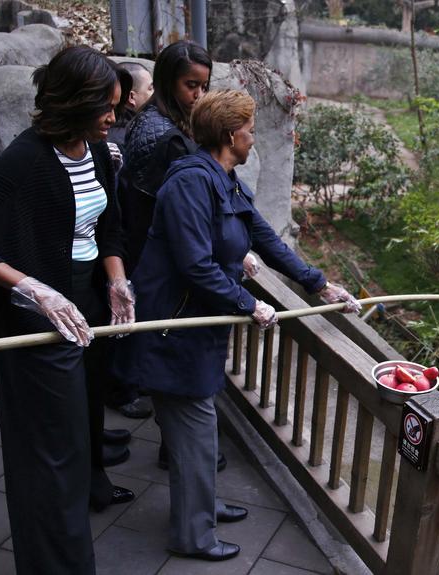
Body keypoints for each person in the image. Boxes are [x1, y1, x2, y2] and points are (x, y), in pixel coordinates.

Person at [116, 89, 361, 561]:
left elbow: (263, 236)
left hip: (198, 328)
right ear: (231, 135)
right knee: (192, 435)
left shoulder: (223, 178)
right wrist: (249, 302)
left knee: (203, 431)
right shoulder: (190, 182)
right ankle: (192, 534)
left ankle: (204, 506)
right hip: (173, 326)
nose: (253, 140)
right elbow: (194, 263)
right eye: (249, 132)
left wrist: (319, 284)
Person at [0, 46, 136, 574]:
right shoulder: (25, 161)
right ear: (74, 103)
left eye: (117, 106)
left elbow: (108, 225)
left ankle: (91, 498)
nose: (113, 118)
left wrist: (117, 280)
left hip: (91, 308)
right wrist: (33, 289)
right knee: (51, 459)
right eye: (105, 107)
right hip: (40, 325)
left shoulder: (98, 152)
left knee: (83, 434)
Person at [106, 40, 213, 420]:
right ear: (169, 82)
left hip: (141, 238)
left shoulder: (154, 119)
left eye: (204, 86)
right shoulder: (165, 135)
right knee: (143, 323)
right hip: (148, 243)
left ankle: (129, 384)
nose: (198, 94)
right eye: (191, 85)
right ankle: (125, 389)